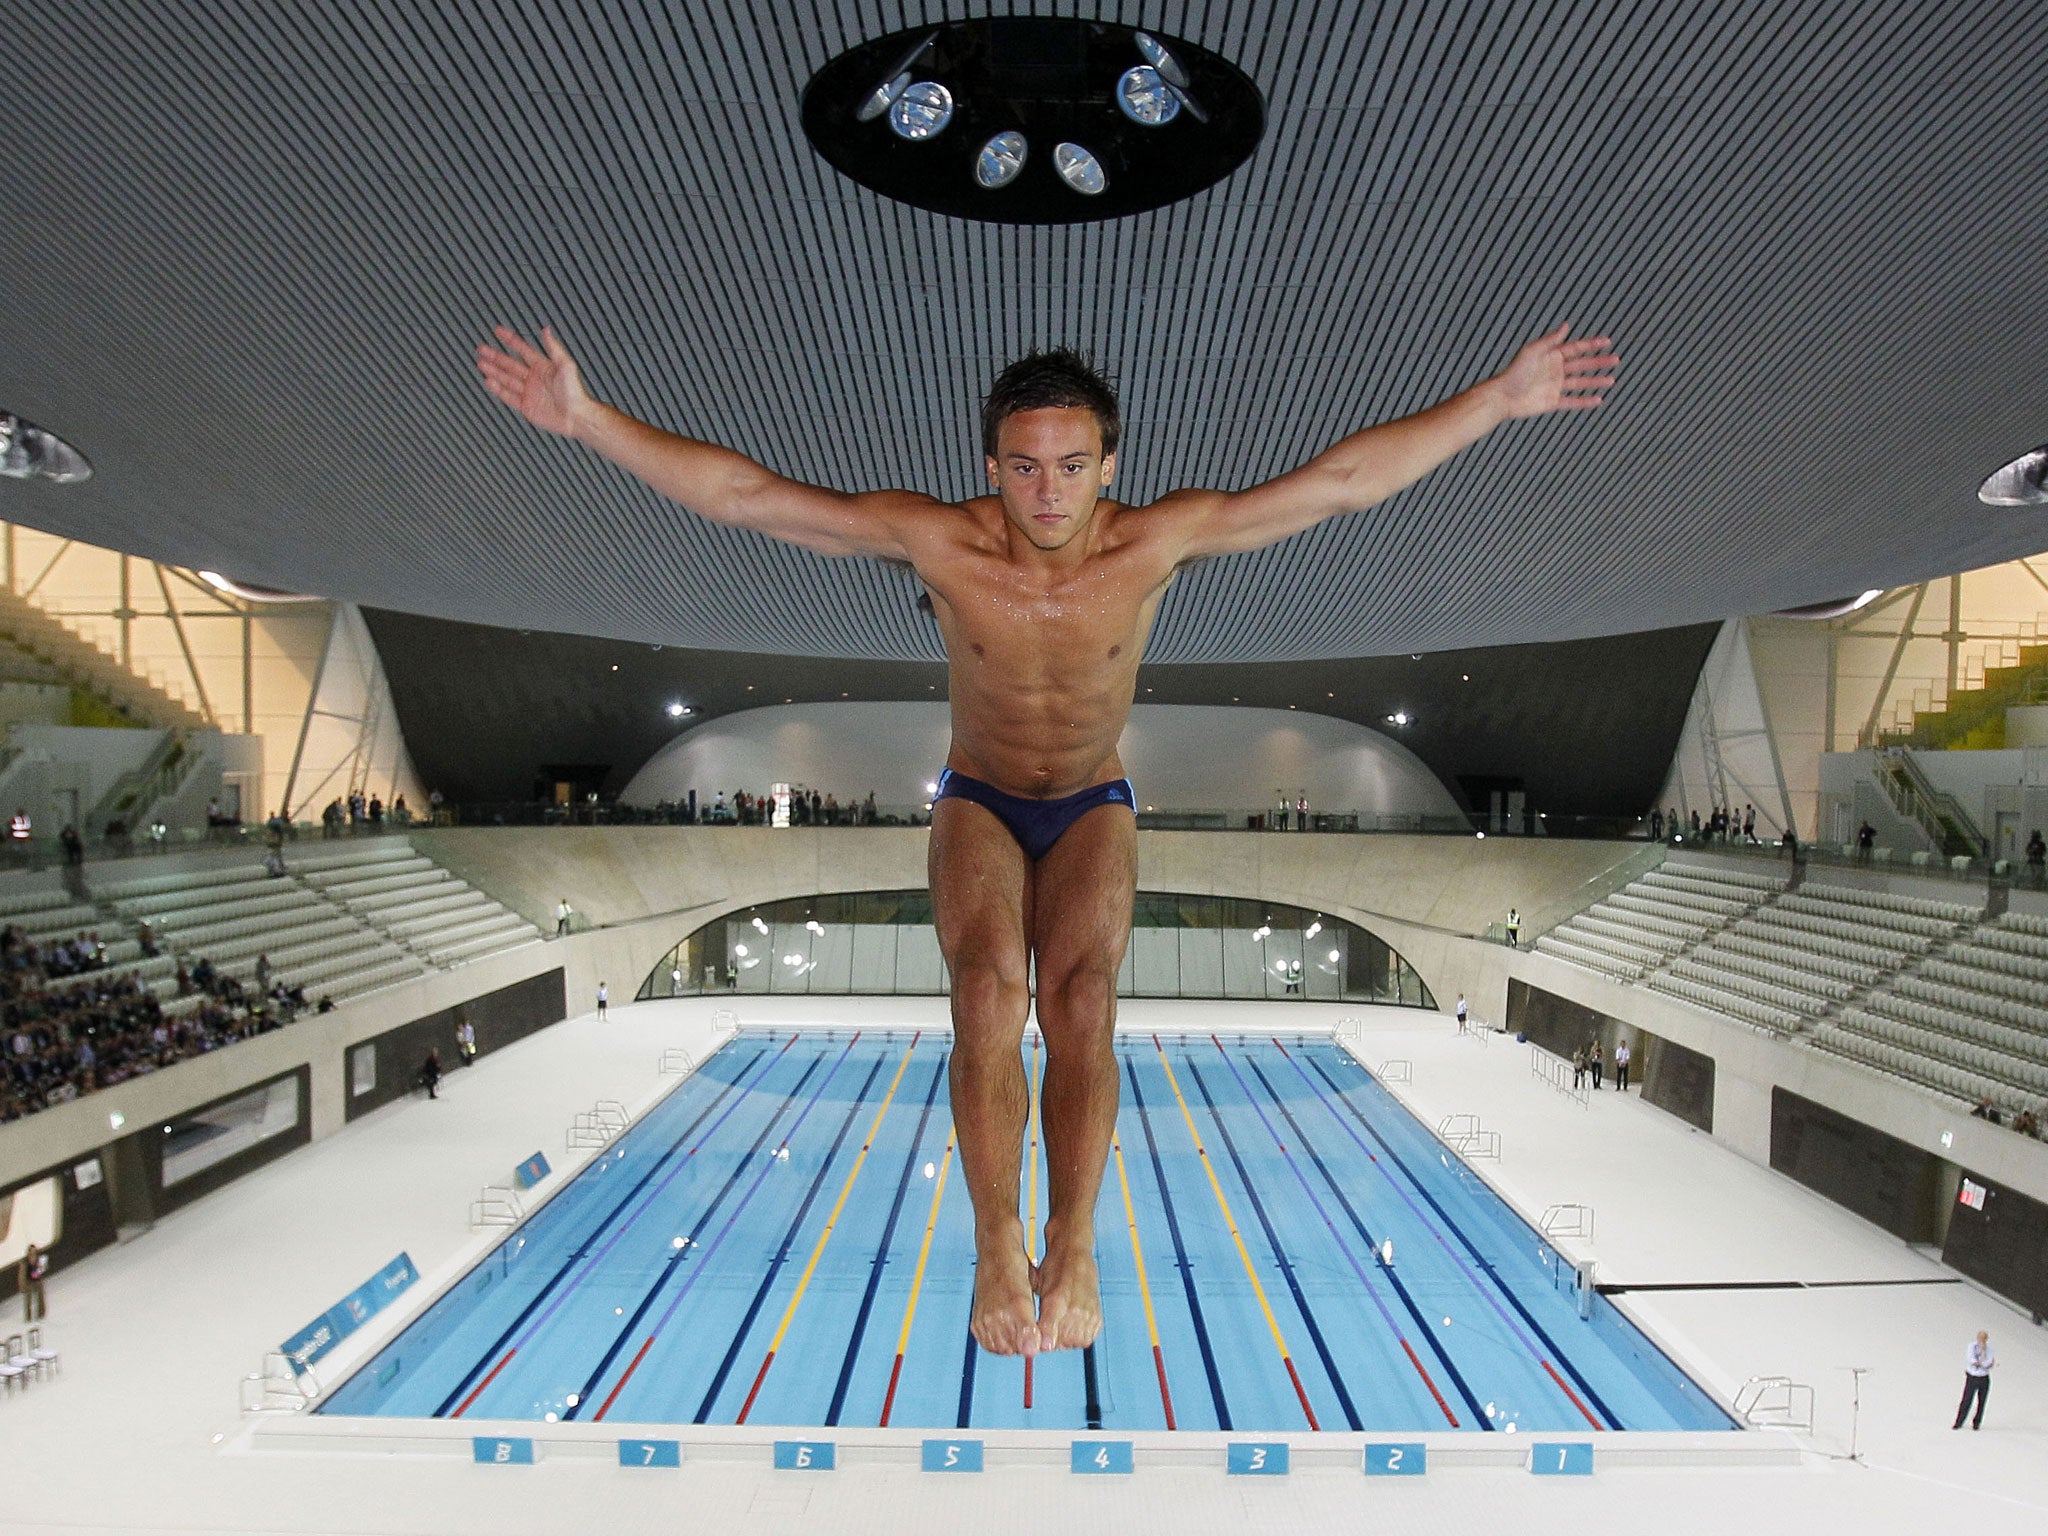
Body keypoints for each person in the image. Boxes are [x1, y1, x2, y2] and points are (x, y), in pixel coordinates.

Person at [478, 315, 1617, 1358]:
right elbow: (748, 496)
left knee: (1081, 1007)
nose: (1047, 490)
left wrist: (1498, 400)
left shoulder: (1149, 545)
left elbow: (1337, 486)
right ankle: (993, 1240)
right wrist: (585, 418)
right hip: (976, 793)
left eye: (1072, 466)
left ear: (1107, 465)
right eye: (1022, 466)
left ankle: (1073, 1242)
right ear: (990, 466)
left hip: (1088, 802)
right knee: (985, 998)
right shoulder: (939, 544)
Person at [1954, 1330, 1994, 1429]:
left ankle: (1977, 1423)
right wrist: (1981, 1363)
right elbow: (1971, 1360)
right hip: (1972, 1376)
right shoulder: (1971, 1347)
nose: (1982, 1341)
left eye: (1984, 1339)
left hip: (1984, 1377)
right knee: (1967, 1399)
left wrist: (1984, 1359)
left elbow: (1989, 1363)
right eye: (1981, 1338)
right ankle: (1959, 1421)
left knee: (1982, 1401)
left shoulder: (1989, 1350)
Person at [19, 1241, 47, 1322]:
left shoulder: (39, 1258)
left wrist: (41, 1266)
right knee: (28, 1301)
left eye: (34, 1250)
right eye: (31, 1250)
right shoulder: (25, 1261)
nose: (33, 1252)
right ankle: (28, 1318)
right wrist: (22, 1285)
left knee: (40, 1298)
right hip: (29, 1282)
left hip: (37, 1281)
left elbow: (43, 1269)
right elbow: (22, 1274)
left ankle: (41, 1314)